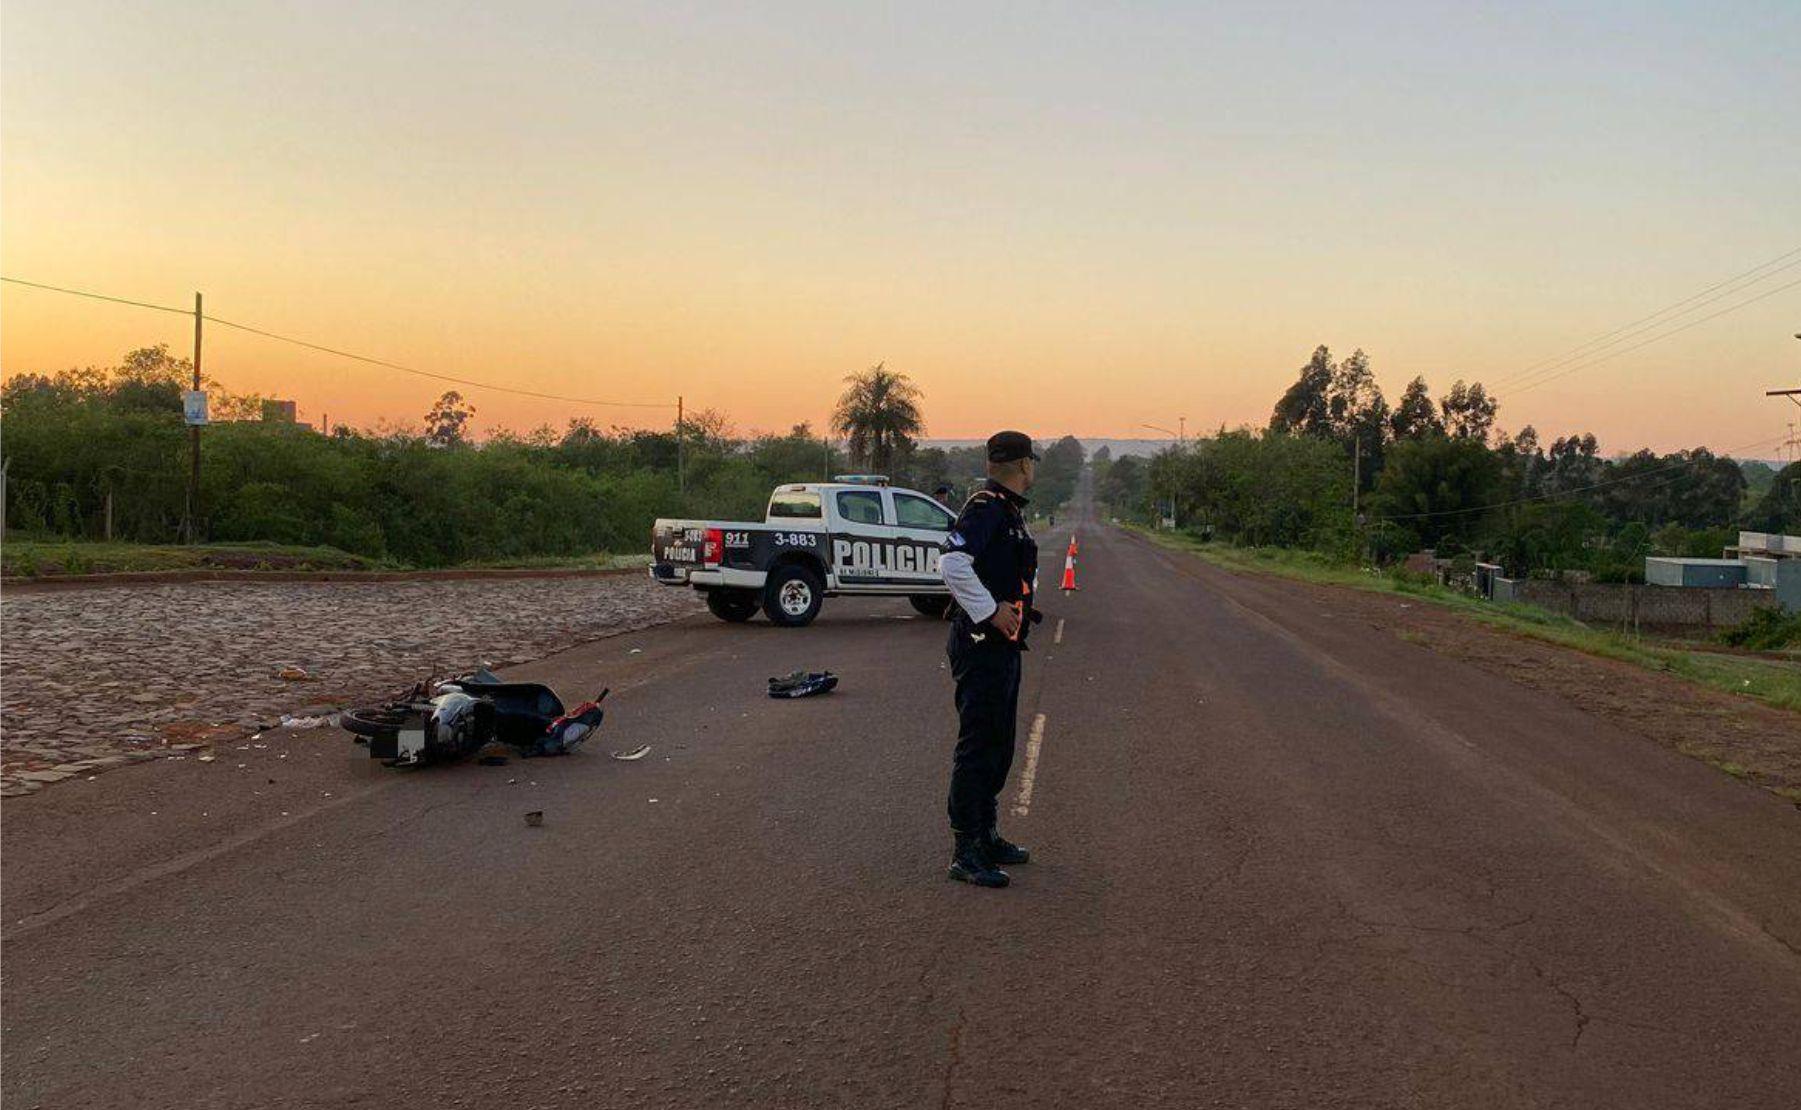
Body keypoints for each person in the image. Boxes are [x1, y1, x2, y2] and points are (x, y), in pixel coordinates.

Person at [937, 431, 1041, 888]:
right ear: (1024, 465)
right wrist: (989, 610)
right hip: (980, 643)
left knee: (1000, 743)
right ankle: (966, 849)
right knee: (979, 746)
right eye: (1032, 462)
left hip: (1002, 644)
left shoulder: (1008, 511)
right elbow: (952, 562)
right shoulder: (985, 507)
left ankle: (988, 833)